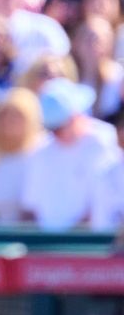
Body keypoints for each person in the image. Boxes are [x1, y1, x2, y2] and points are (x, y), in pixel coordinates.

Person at [21, 79, 121, 230]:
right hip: (48, 246)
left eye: (60, 127)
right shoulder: (40, 152)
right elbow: (32, 205)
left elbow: (108, 201)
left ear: (76, 116)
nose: (57, 134)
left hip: (94, 244)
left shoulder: (104, 141)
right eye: (53, 129)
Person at [0, 87, 45, 224]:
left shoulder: (42, 155)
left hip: (34, 238)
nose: (10, 121)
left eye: (17, 115)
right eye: (5, 115)